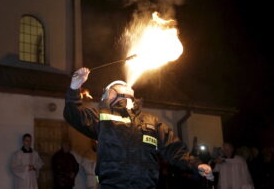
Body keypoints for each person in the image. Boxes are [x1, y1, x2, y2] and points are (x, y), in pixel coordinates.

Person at [63, 67, 213, 189]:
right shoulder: (102, 117)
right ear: (110, 94)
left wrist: (196, 164)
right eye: (117, 86)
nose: (125, 85)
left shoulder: (151, 121)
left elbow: (173, 149)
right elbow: (74, 115)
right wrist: (74, 88)